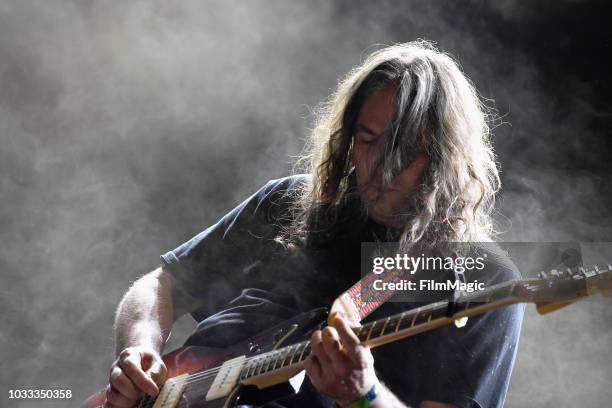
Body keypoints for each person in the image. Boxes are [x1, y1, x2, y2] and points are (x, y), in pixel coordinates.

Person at [104, 41, 524, 408]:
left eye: (405, 148)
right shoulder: (290, 201)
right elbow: (160, 285)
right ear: (347, 138)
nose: (381, 167)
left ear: (444, 156)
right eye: (368, 139)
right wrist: (140, 349)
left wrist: (364, 395)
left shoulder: (480, 280)